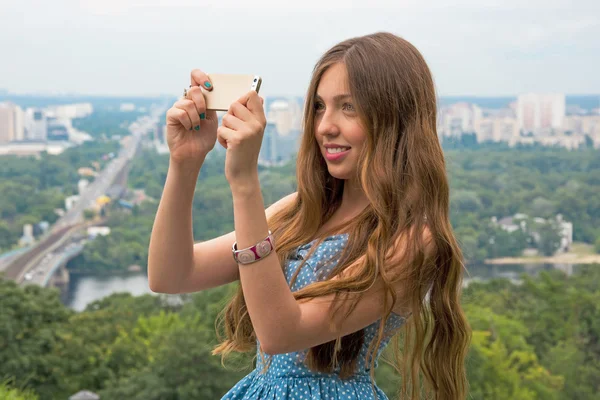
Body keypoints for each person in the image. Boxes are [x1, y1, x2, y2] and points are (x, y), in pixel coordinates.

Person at [148, 31, 470, 400]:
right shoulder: (300, 212)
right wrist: (185, 163)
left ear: (395, 118)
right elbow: (172, 275)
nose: (324, 126)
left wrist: (244, 182)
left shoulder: (411, 241)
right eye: (319, 106)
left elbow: (280, 334)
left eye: (348, 107)